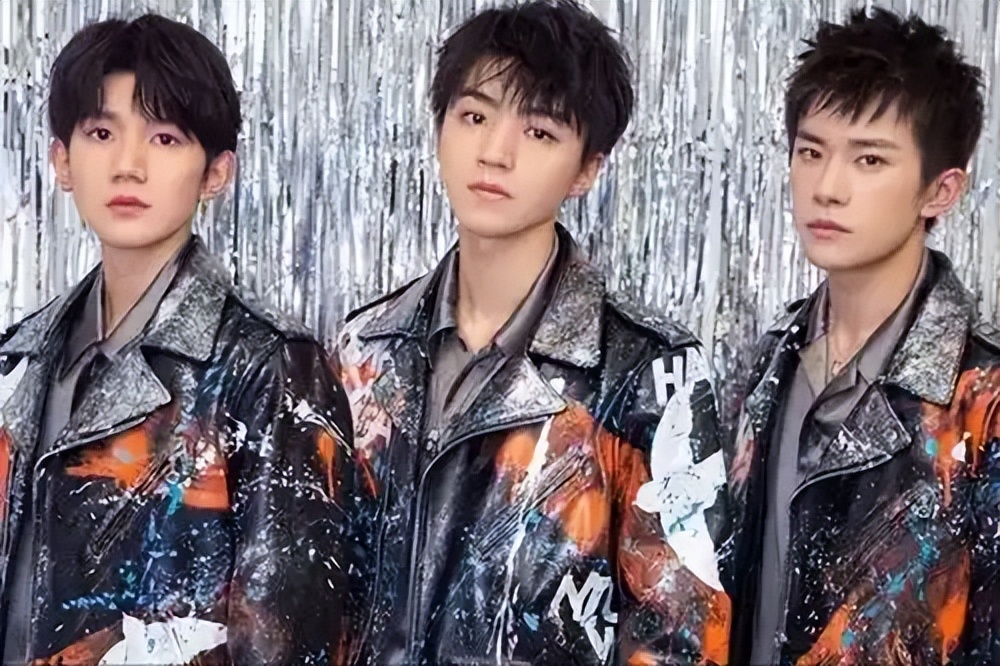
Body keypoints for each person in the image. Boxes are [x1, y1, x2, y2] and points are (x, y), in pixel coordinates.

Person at [332, 1, 733, 664]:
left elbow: (682, 633)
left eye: (540, 132)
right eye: (474, 117)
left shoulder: (647, 372)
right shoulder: (364, 347)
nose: (495, 152)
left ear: (587, 169)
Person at [0, 14, 353, 665]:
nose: (128, 165)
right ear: (61, 160)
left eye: (164, 138)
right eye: (101, 133)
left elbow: (291, 634)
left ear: (216, 172)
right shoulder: (14, 361)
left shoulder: (269, 367)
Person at [728, 8, 1000, 664]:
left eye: (869, 159)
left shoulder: (981, 399)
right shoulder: (769, 361)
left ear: (941, 191)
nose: (828, 188)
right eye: (810, 152)